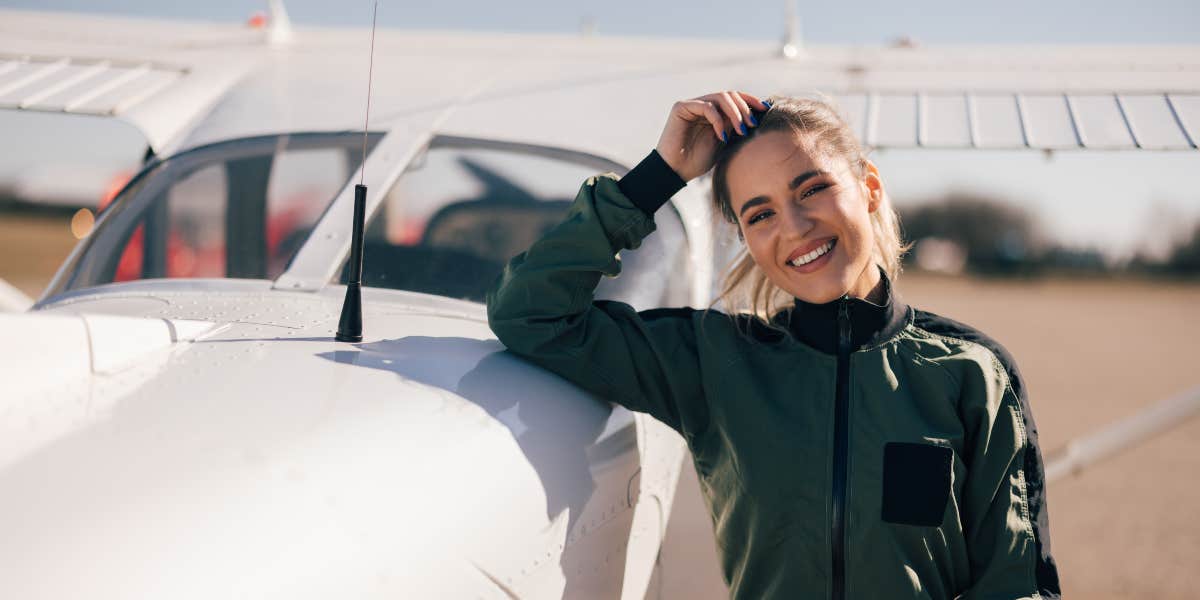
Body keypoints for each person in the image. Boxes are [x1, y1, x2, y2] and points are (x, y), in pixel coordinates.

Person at [486, 91, 1061, 599]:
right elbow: (531, 313)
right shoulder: (712, 360)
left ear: (869, 188)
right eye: (760, 214)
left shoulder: (970, 372)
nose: (794, 227)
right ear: (746, 239)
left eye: (812, 188)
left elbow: (1016, 584)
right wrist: (658, 175)